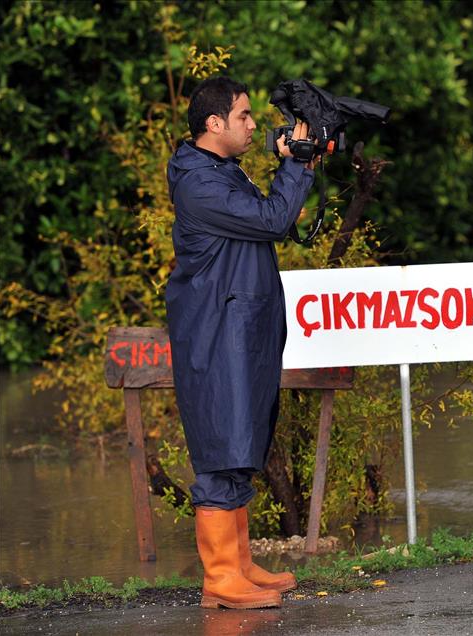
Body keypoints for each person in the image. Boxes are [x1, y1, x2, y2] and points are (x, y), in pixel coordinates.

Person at [165, 76, 315, 610]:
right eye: (245, 117)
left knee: (238, 444)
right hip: (216, 332)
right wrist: (296, 166)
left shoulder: (222, 173)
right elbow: (274, 219)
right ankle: (221, 577)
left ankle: (241, 564)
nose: (253, 125)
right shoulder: (199, 183)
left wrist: (292, 163)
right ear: (214, 124)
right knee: (219, 451)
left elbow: (275, 219)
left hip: (238, 329)